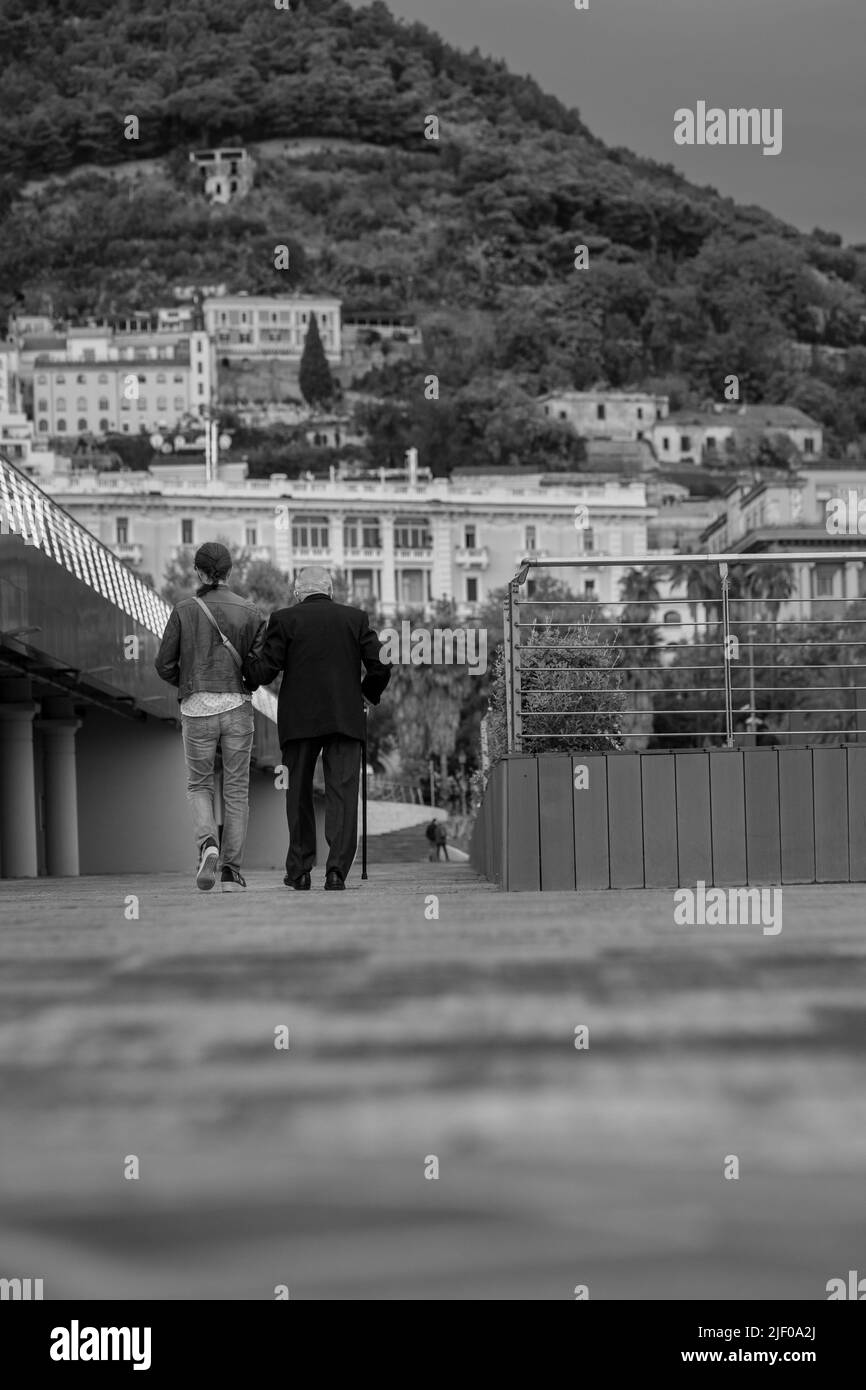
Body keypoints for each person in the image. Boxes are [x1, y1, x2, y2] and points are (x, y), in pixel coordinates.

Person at [242, 566, 391, 891]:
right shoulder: (355, 618)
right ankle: (336, 871)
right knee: (343, 792)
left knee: (298, 792)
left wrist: (245, 670)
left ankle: (300, 869)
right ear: (331, 590)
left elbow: (266, 671)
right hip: (344, 717)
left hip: (299, 720)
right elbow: (381, 664)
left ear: (298, 592)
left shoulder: (284, 619)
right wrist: (366, 694)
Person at [155, 542, 266, 892]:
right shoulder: (250, 612)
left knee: (199, 784)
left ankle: (208, 845)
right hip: (236, 708)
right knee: (235, 790)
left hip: (196, 707)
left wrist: (187, 681)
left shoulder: (184, 610)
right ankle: (231, 872)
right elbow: (259, 667)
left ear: (199, 572)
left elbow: (163, 664)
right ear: (230, 573)